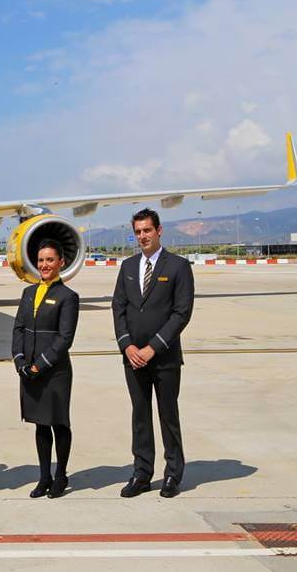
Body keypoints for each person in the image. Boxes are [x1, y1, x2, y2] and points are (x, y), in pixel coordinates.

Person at [112, 208, 194, 499]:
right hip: (133, 358)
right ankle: (142, 473)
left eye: (147, 230)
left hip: (165, 357)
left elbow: (181, 313)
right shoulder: (128, 266)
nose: (143, 236)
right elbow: (118, 308)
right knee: (140, 416)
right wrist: (128, 345)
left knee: (168, 415)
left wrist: (152, 348)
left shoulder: (178, 267)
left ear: (159, 230)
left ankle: (173, 473)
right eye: (138, 232)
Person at [11, 238, 79, 499]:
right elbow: (18, 328)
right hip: (29, 370)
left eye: (50, 260)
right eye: (41, 260)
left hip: (54, 372)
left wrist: (40, 365)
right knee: (40, 425)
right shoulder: (28, 293)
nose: (45, 265)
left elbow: (65, 338)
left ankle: (61, 475)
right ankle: (44, 477)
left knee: (58, 423)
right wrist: (20, 360)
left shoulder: (68, 297)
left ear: (61, 262)